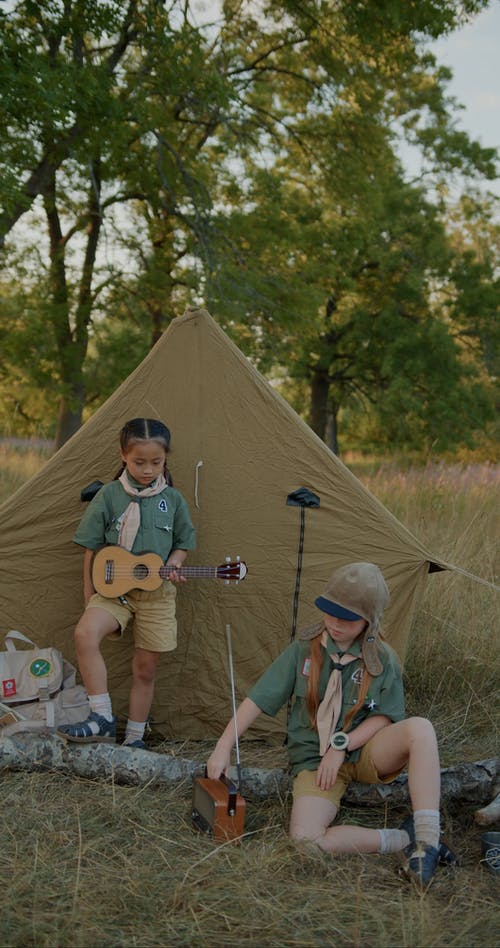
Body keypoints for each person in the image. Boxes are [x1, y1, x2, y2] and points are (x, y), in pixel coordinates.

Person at [207, 561, 456, 889]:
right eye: (329, 612)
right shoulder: (303, 651)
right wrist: (223, 746)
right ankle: (402, 839)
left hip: (365, 751)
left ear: (368, 620)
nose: (335, 624)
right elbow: (257, 700)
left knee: (420, 728)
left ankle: (427, 840)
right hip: (314, 759)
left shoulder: (382, 658)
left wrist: (343, 745)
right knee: (306, 841)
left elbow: (384, 715)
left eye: (347, 618)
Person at [57, 417, 195, 749]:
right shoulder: (109, 495)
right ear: (123, 455)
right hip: (111, 591)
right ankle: (101, 717)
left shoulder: (172, 500)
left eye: (156, 462)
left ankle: (134, 739)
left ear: (165, 459)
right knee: (84, 633)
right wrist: (91, 596)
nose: (147, 470)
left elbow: (183, 542)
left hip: (157, 593)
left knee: (145, 669)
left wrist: (174, 565)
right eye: (139, 462)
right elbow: (91, 549)